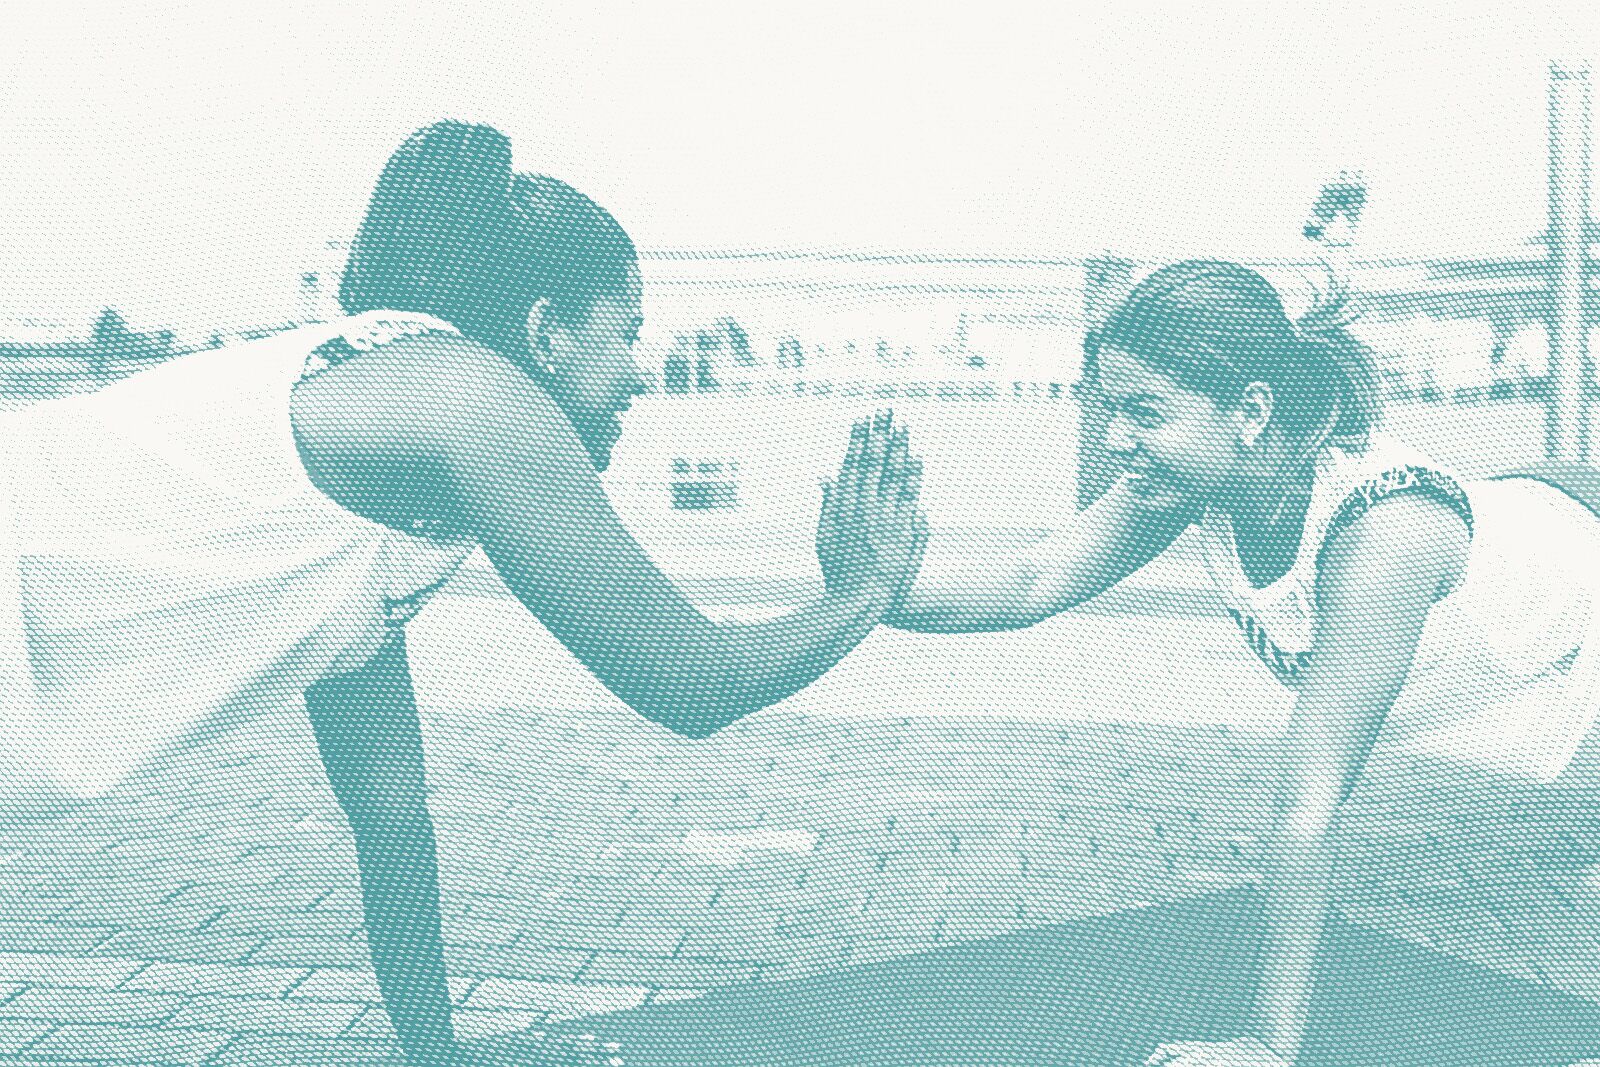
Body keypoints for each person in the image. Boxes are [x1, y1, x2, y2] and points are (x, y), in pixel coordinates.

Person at [0, 121, 928, 1067]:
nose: (640, 373)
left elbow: (393, 816)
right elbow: (689, 681)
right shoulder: (473, 400)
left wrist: (435, 1053)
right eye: (625, 334)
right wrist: (863, 591)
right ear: (544, 333)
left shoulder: (380, 451)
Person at [884, 259, 1600, 1066]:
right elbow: (1032, 581)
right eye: (1108, 410)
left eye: (1143, 412)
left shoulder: (1384, 537)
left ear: (1251, 410)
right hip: (1527, 558)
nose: (1116, 438)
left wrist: (1267, 1045)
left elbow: (1311, 800)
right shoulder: (1199, 475)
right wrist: (871, 586)